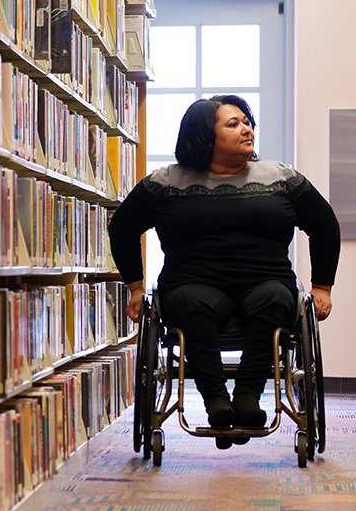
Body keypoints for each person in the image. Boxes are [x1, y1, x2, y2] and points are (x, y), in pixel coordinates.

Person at [107, 95, 341, 449]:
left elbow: (324, 225)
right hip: (191, 284)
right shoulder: (167, 182)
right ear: (204, 137)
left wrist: (322, 287)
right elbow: (123, 227)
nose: (246, 129)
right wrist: (136, 288)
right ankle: (216, 400)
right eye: (234, 124)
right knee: (191, 303)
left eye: (247, 122)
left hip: (266, 282)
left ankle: (247, 396)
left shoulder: (282, 177)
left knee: (274, 299)